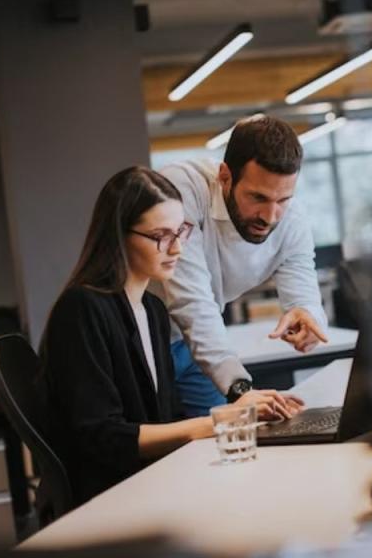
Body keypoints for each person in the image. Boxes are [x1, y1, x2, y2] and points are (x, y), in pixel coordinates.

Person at [42, 166, 303, 504]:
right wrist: (216, 422)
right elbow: (102, 436)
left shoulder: (151, 310)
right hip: (116, 498)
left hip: (155, 482)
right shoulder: (82, 309)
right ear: (119, 235)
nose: (177, 248)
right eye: (161, 236)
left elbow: (167, 416)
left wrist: (244, 414)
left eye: (181, 231)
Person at [155, 115, 329, 417]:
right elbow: (191, 301)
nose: (271, 215)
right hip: (142, 340)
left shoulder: (292, 219)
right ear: (224, 176)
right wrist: (240, 389)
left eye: (283, 199)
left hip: (196, 346)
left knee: (214, 441)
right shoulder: (181, 189)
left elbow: (304, 292)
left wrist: (309, 318)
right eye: (257, 197)